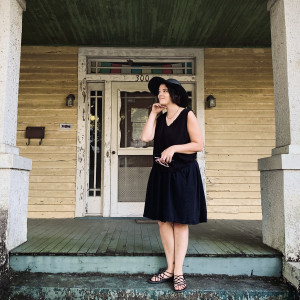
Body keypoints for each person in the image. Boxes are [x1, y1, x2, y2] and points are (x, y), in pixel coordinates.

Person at [141, 77, 207, 292]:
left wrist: (173, 148)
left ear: (174, 93)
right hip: (161, 174)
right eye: (159, 91)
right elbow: (145, 138)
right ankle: (169, 268)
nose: (160, 94)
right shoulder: (159, 118)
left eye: (165, 90)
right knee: (162, 221)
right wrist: (153, 114)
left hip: (183, 174)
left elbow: (198, 144)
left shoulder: (187, 114)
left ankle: (178, 271)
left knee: (179, 222)